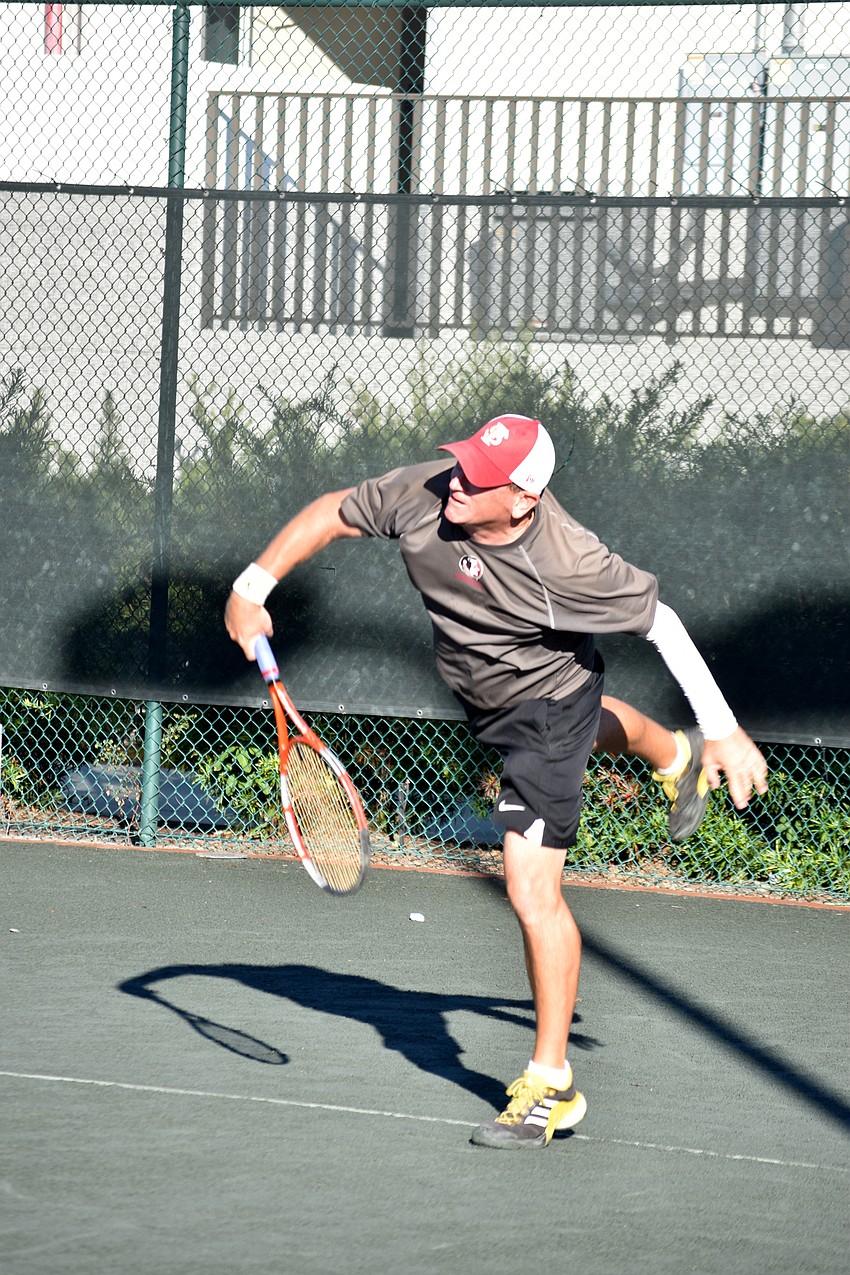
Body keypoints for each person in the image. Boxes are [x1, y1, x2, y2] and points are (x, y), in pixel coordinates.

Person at [225, 413, 768, 1151]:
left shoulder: (568, 561)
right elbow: (333, 511)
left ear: (522, 498)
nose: (457, 481)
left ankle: (552, 1084)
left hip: (547, 704)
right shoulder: (429, 493)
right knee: (589, 732)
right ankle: (674, 750)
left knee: (528, 886)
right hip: (489, 696)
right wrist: (252, 586)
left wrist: (728, 724)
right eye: (463, 462)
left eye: (478, 478)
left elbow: (662, 623)